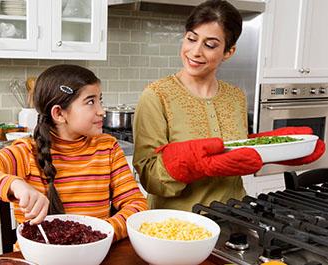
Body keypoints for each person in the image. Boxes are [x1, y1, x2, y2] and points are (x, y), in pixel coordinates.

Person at [132, 0, 325, 211]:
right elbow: (149, 179)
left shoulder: (235, 97)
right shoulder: (156, 96)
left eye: (210, 45)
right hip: (179, 224)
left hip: (234, 215)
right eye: (191, 39)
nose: (195, 51)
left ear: (228, 52)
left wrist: (277, 149)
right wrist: (195, 163)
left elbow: (235, 152)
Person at [0, 64, 148, 242]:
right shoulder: (26, 151)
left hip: (93, 254)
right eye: (90, 102)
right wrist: (16, 185)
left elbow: (137, 205)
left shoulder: (107, 148)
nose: (102, 111)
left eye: (100, 100)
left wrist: (104, 233)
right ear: (59, 113)